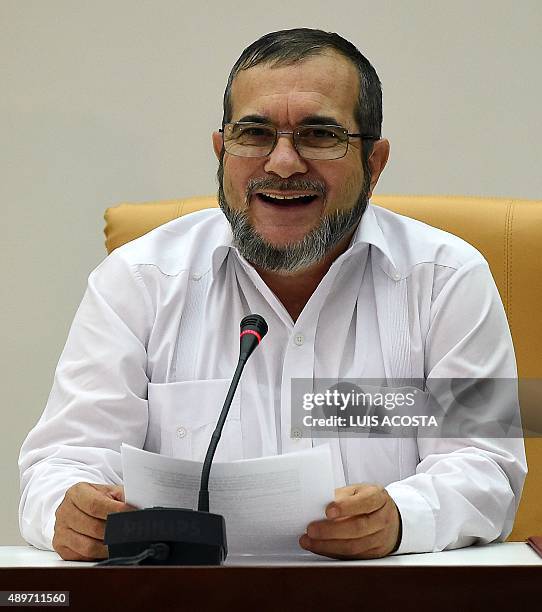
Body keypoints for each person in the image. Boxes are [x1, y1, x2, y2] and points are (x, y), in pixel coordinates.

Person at [19, 28, 526, 562]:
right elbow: (63, 462)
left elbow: (487, 466)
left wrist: (401, 517)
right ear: (221, 151)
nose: (283, 164)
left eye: (319, 134)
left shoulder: (447, 278)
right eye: (255, 133)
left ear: (374, 164)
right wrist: (69, 512)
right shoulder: (138, 280)